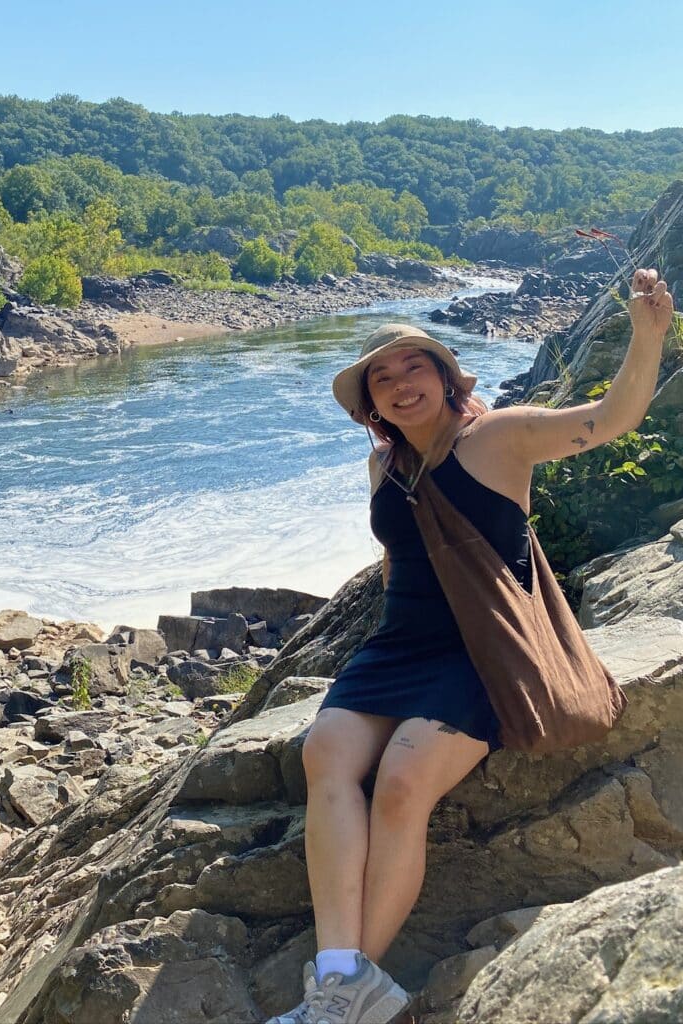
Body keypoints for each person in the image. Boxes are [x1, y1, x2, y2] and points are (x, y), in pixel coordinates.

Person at [269, 267, 675, 1024]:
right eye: (380, 378)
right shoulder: (381, 464)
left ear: (446, 375)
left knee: (401, 782)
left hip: (480, 652)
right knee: (325, 754)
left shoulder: (499, 437)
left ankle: (343, 995)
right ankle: (338, 980)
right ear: (372, 404)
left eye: (413, 365)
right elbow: (401, 558)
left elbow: (611, 417)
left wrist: (648, 333)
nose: (398, 383)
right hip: (398, 647)